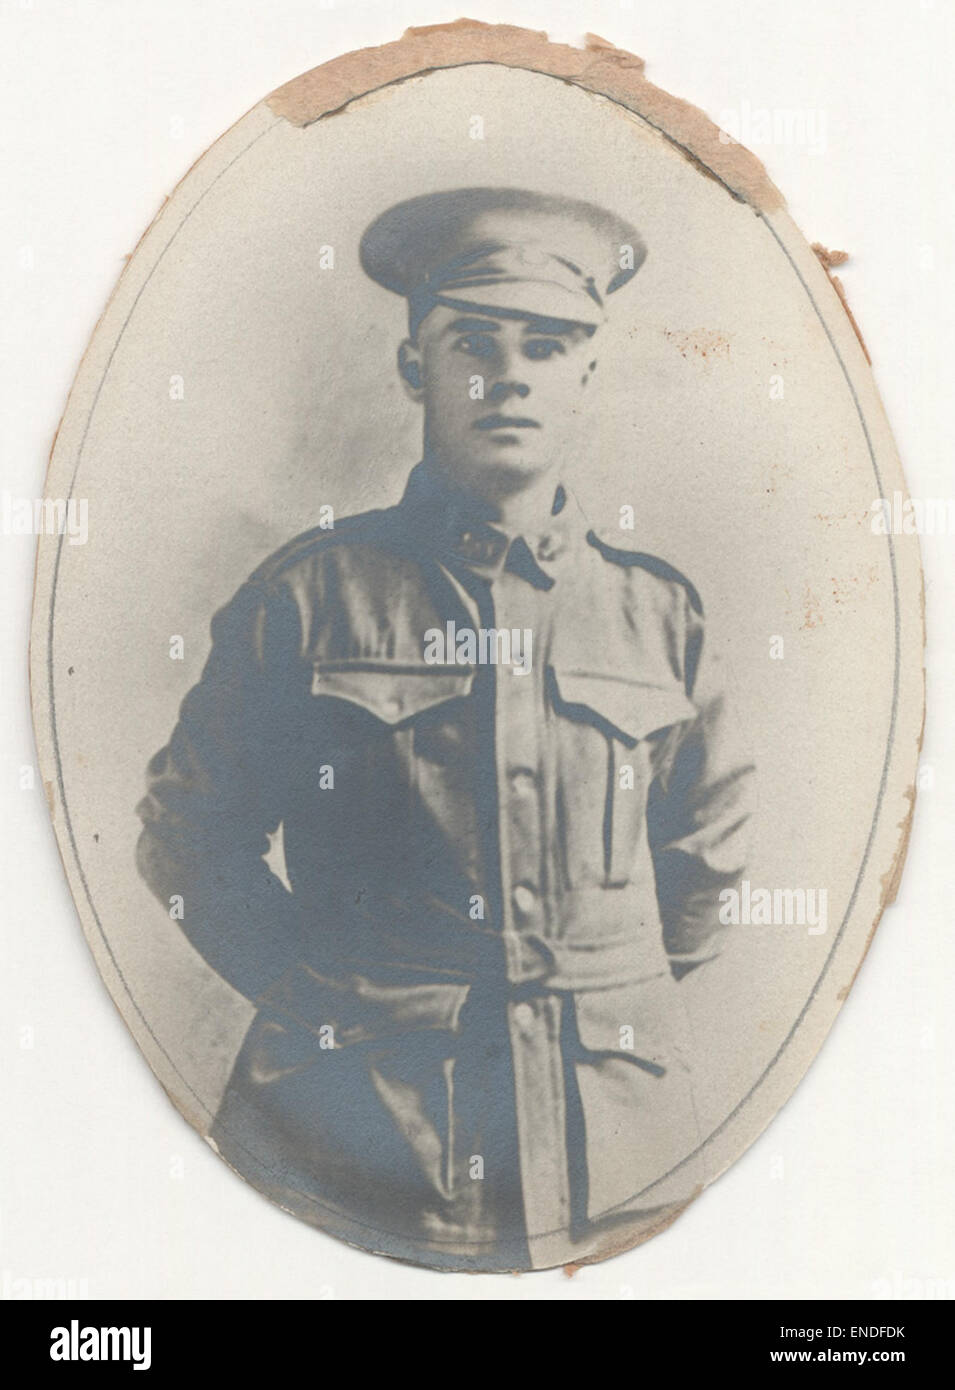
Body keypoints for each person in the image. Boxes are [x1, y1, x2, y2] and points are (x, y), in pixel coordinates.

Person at [136, 187, 756, 1270]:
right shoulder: (311, 597)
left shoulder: (663, 616)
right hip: (354, 1144)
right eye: (473, 341)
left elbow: (705, 865)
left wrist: (611, 1002)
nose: (509, 374)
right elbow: (188, 840)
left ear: (588, 374)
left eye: (549, 345)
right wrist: (325, 1000)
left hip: (615, 1145)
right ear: (414, 368)